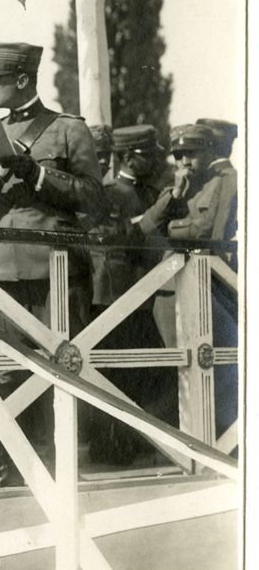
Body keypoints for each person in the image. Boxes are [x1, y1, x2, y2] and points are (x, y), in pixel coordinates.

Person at [0, 42, 105, 487]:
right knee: (1, 366)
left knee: (55, 362)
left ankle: (52, 457)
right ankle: (17, 459)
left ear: (22, 80)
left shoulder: (66, 129)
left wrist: (37, 174)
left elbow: (94, 199)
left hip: (50, 265)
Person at [137, 123, 238, 435]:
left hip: (210, 285)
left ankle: (219, 440)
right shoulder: (182, 185)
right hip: (171, 287)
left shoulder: (224, 180)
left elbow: (209, 233)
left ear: (208, 152)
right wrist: (174, 196)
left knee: (213, 367)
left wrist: (170, 231)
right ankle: (186, 439)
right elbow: (146, 228)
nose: (183, 162)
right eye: (178, 155)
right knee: (178, 367)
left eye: (190, 154)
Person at [84, 125, 165, 464]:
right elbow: (124, 240)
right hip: (114, 293)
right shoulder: (110, 192)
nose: (158, 160)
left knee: (142, 370)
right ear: (130, 156)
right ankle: (112, 444)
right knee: (117, 369)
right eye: (149, 154)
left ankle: (134, 439)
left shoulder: (142, 191)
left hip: (138, 291)